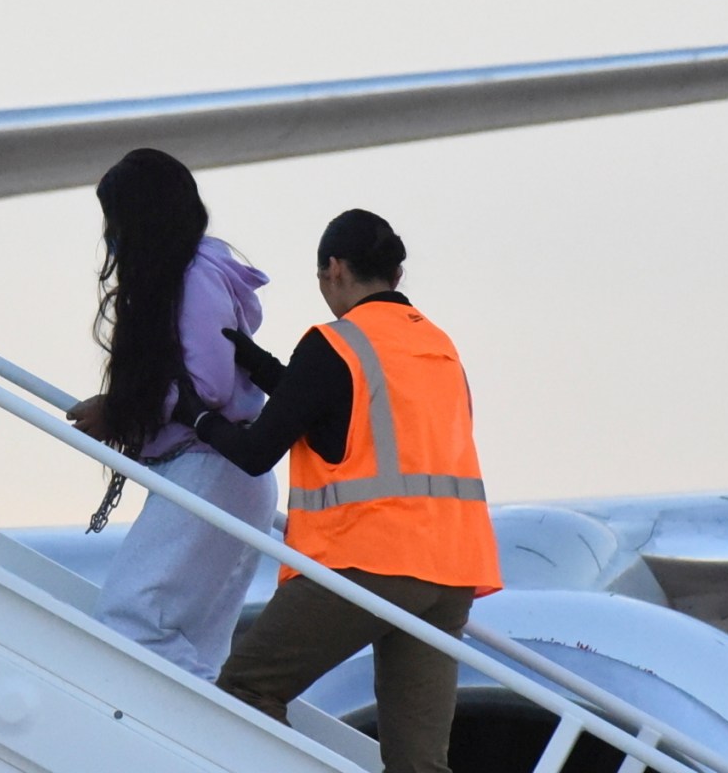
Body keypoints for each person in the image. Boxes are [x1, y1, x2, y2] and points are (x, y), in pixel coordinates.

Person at [185, 209, 498, 773]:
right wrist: (259, 366)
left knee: (247, 688)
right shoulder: (438, 346)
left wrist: (198, 420)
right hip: (450, 573)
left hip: (369, 561)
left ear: (334, 269)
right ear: (394, 274)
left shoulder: (336, 343)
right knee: (418, 765)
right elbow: (343, 415)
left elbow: (258, 453)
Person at [63, 148, 279, 679]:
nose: (111, 235)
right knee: (194, 651)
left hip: (210, 465)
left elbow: (204, 386)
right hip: (219, 471)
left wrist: (120, 411)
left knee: (132, 623)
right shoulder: (197, 272)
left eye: (116, 220)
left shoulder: (194, 276)